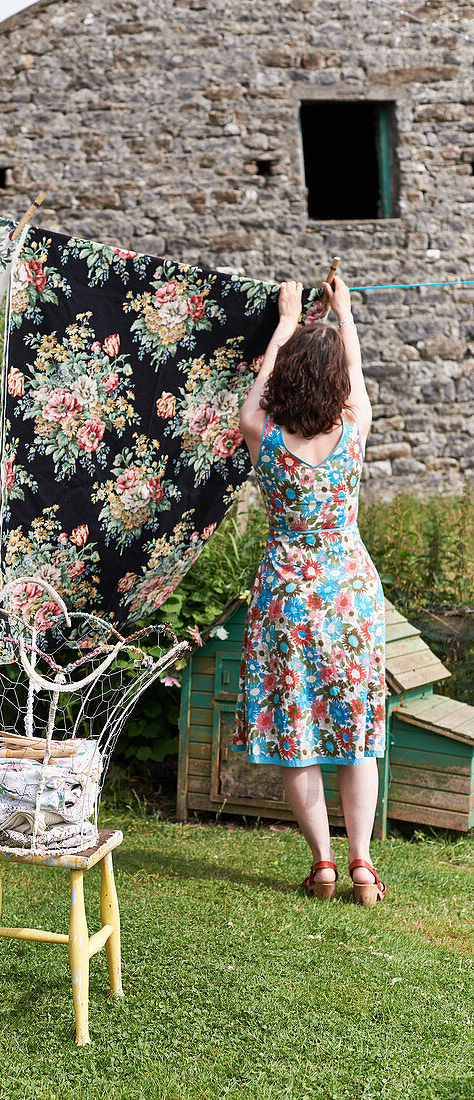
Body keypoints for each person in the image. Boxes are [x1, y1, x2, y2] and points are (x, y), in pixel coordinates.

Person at [233, 276, 386, 905]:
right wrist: (344, 315)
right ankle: (361, 863)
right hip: (349, 592)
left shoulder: (262, 435)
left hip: (285, 596)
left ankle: (322, 862)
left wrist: (286, 322)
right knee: (355, 731)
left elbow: (258, 395)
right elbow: (351, 369)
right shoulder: (355, 428)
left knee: (294, 724)